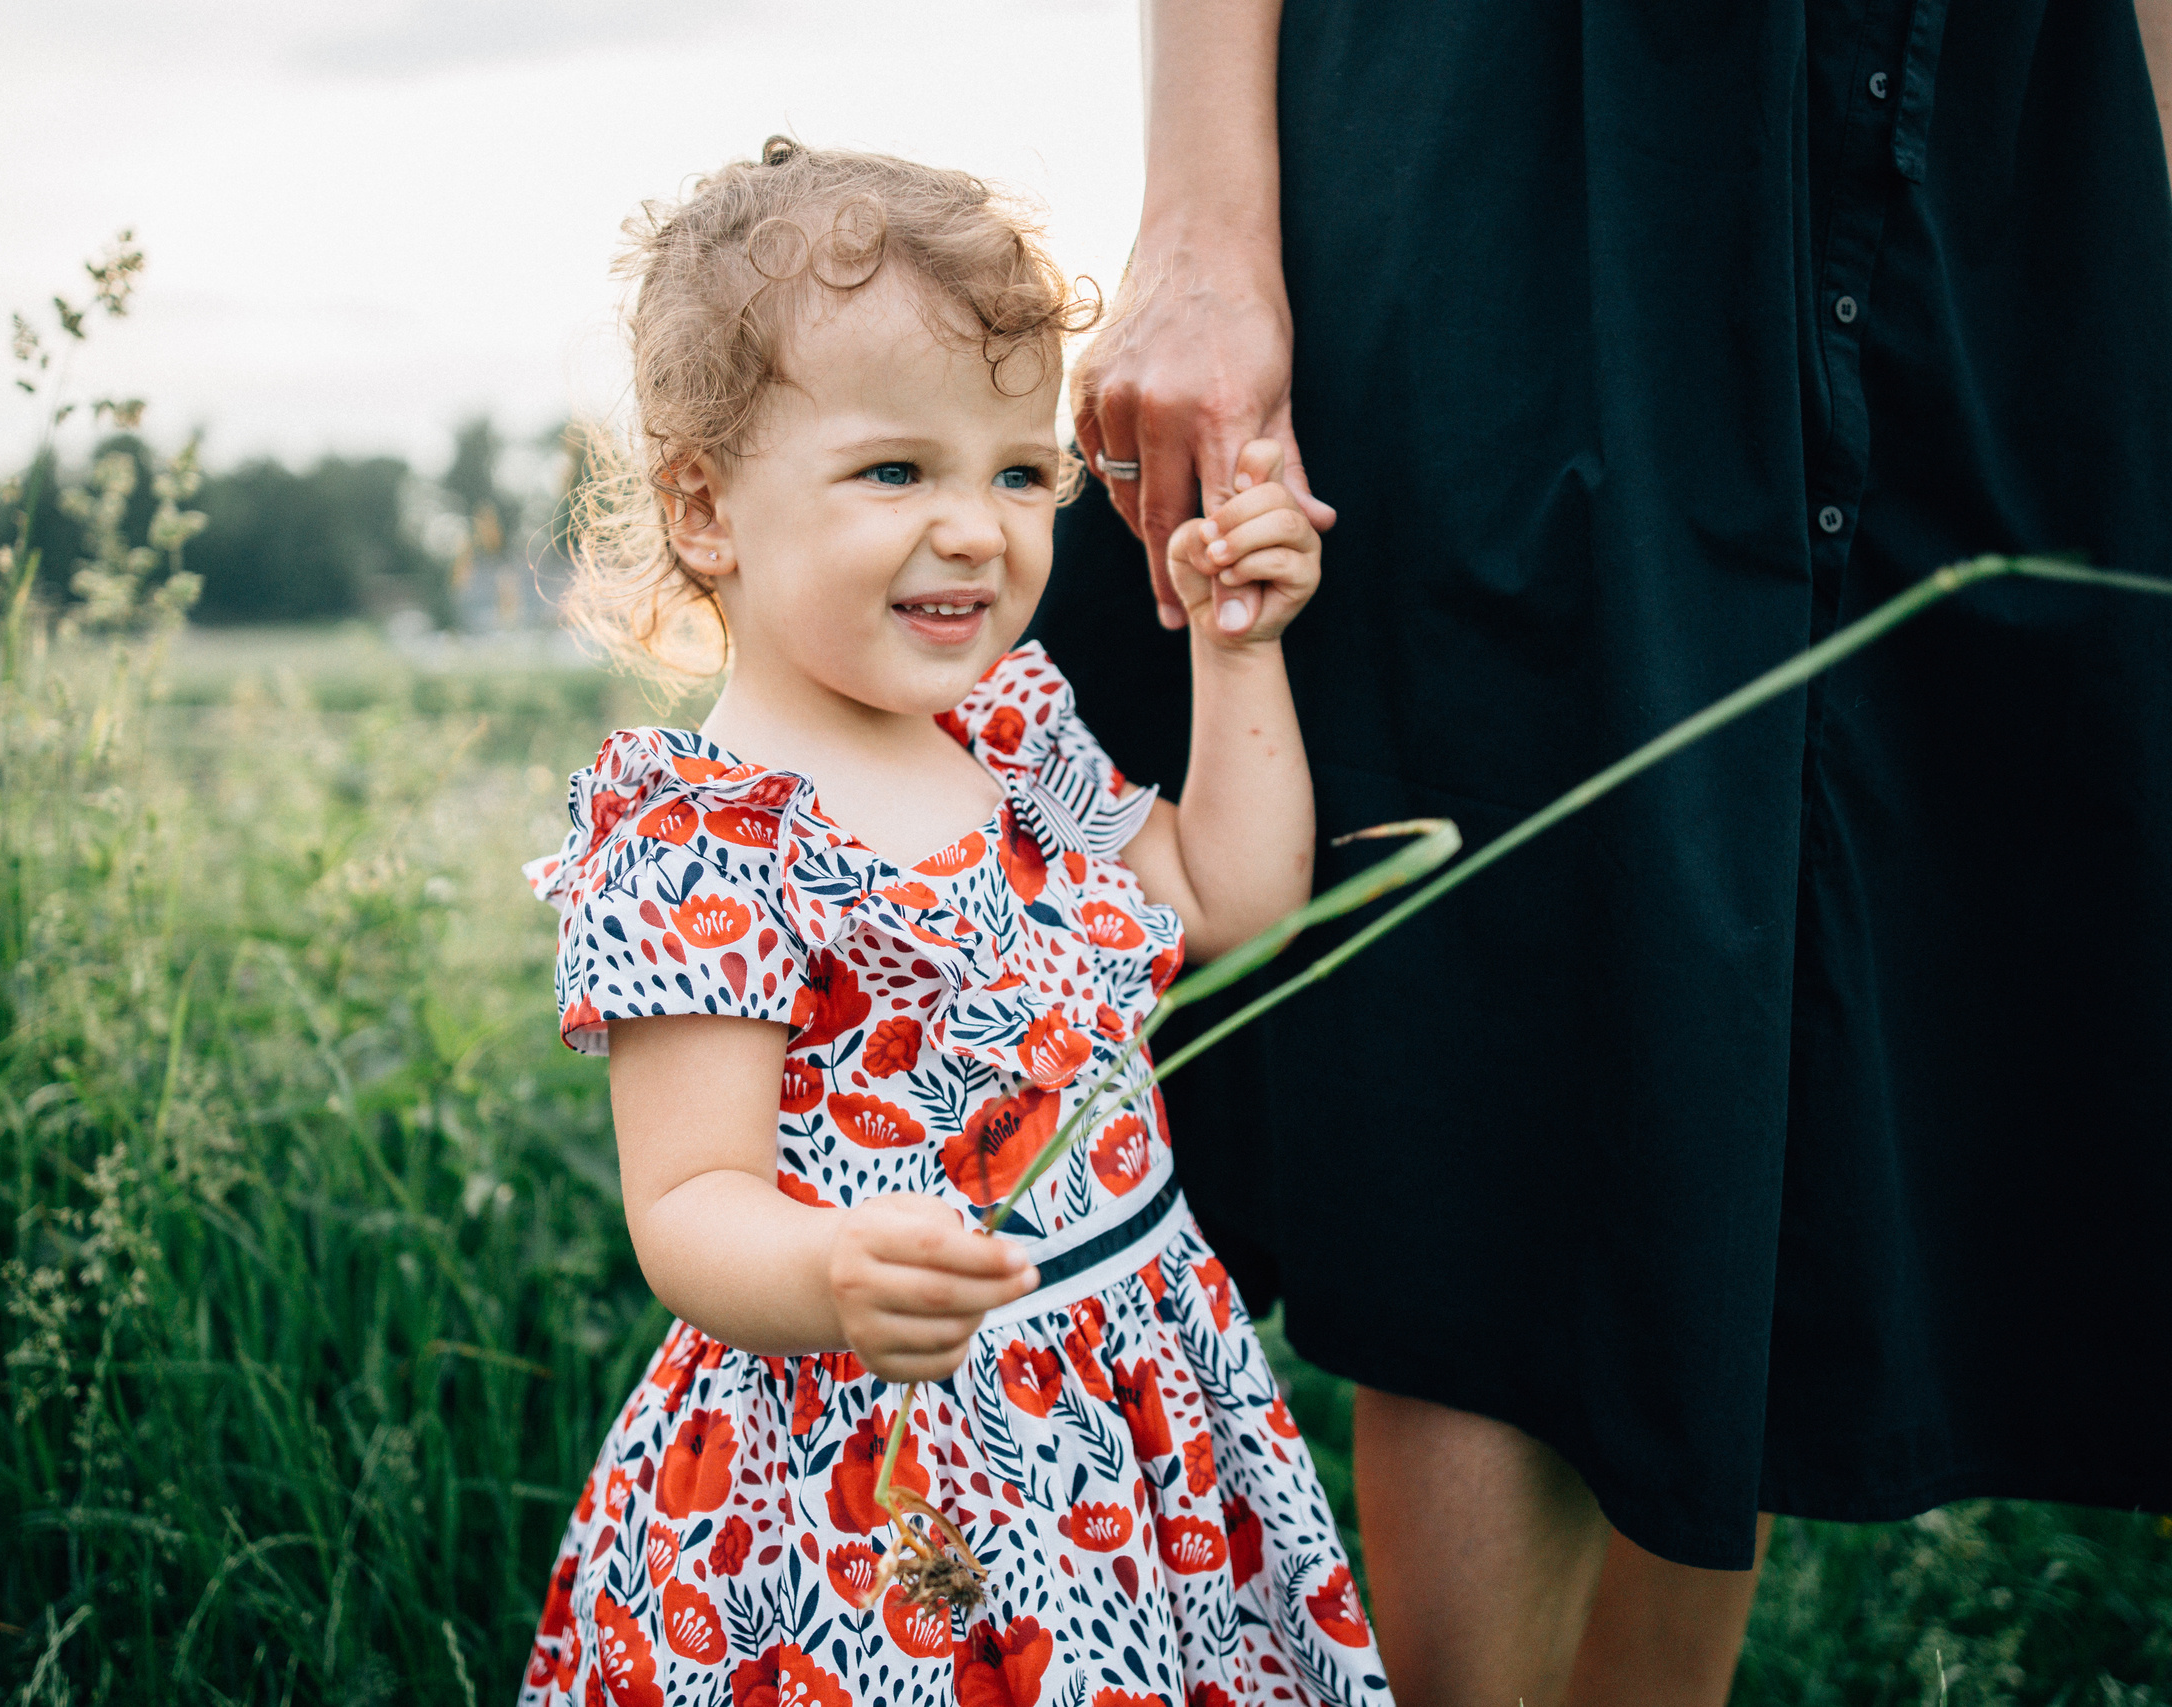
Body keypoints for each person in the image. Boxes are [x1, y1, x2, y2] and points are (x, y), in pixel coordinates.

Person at [1048, 3, 2172, 1705]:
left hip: (1987, 121)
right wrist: (1203, 221)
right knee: (1521, 974)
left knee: (1784, 964)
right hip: (1531, 106)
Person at [517, 139, 1390, 1706]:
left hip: (1124, 1403)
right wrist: (833, 1268)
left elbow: (1226, 898)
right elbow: (692, 1202)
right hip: (881, 1475)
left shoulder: (1008, 733)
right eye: (896, 472)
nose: (982, 528)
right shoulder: (706, 837)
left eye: (1017, 473)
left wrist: (1239, 650)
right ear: (706, 507)